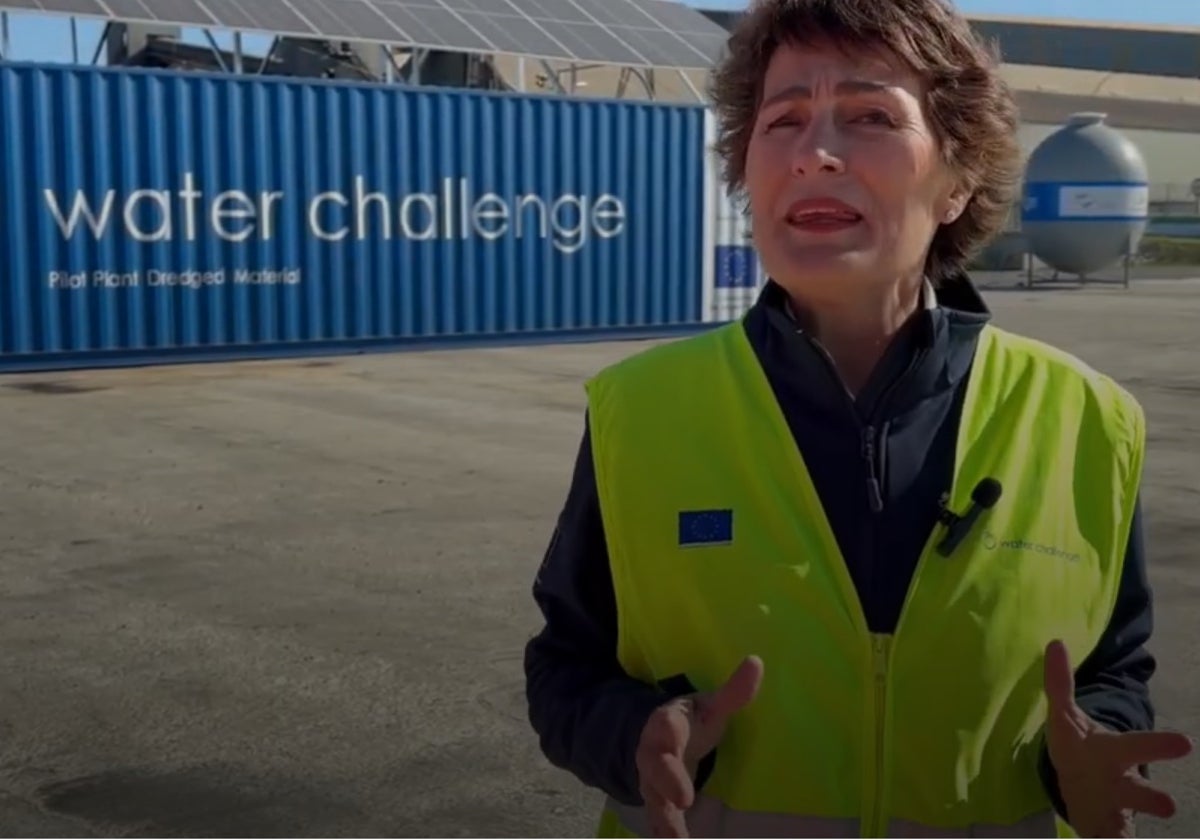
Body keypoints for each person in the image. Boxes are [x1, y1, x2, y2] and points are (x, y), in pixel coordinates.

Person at [523, 0, 1194, 836]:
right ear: (745, 169)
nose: (814, 154)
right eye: (784, 120)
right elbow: (565, 667)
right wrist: (629, 736)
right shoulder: (640, 410)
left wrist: (1097, 747)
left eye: (870, 115)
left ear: (957, 182)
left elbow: (1113, 669)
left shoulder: (1091, 422)